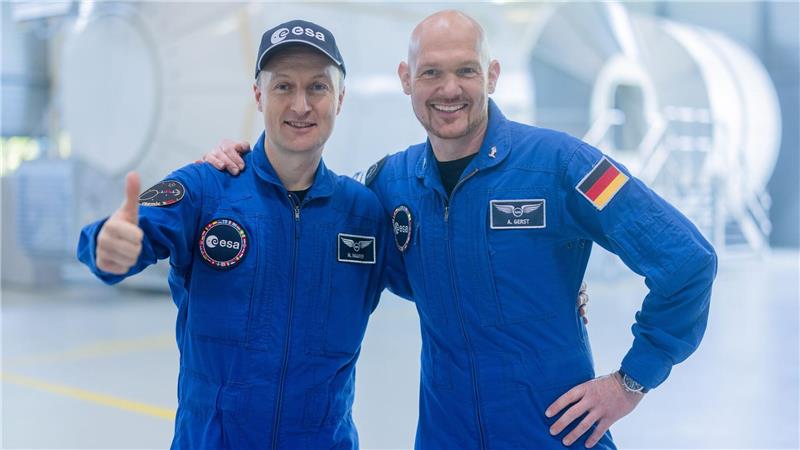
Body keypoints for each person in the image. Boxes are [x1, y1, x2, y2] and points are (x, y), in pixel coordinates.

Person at [206, 10, 716, 450]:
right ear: (407, 79)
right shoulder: (391, 182)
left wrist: (631, 382)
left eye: (465, 71)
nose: (449, 90)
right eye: (431, 73)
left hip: (555, 435)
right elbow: (318, 211)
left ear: (491, 75)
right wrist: (239, 165)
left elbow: (687, 259)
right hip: (446, 434)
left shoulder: (563, 164)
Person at [77, 19, 411, 449]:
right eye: (283, 87)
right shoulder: (207, 188)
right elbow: (129, 231)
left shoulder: (364, 214)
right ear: (258, 95)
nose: (301, 105)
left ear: (340, 98)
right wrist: (105, 245)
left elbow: (435, 284)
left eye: (318, 87)